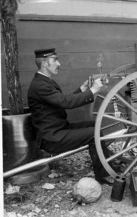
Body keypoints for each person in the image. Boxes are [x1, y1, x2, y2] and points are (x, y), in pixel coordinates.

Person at [27, 48, 114, 185]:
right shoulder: (40, 85)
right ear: (44, 63)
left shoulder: (45, 82)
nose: (59, 64)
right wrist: (93, 90)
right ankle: (103, 175)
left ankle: (108, 163)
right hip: (52, 138)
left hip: (58, 131)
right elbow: (65, 102)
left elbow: (60, 100)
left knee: (93, 125)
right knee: (93, 133)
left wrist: (82, 90)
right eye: (55, 60)